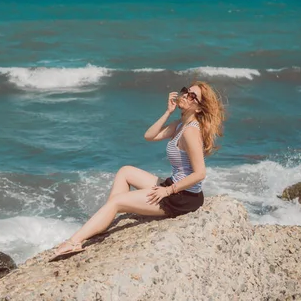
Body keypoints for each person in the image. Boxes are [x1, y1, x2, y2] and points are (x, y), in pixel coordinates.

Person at [49, 80, 226, 261]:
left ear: (198, 108)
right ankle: (106, 219)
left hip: (183, 197)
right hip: (175, 185)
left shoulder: (191, 132)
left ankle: (74, 242)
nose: (186, 96)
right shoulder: (180, 124)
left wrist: (168, 190)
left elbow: (200, 174)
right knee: (125, 171)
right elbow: (150, 136)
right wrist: (168, 112)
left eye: (192, 96)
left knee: (117, 202)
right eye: (186, 91)